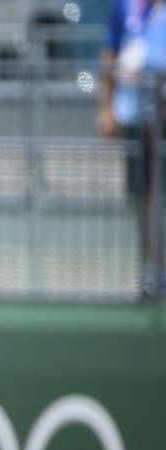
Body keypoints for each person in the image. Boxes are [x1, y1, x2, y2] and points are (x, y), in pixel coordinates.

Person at [99, 0, 166, 299]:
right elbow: (110, 52)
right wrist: (105, 107)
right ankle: (150, 273)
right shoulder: (126, 6)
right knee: (142, 198)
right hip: (136, 117)